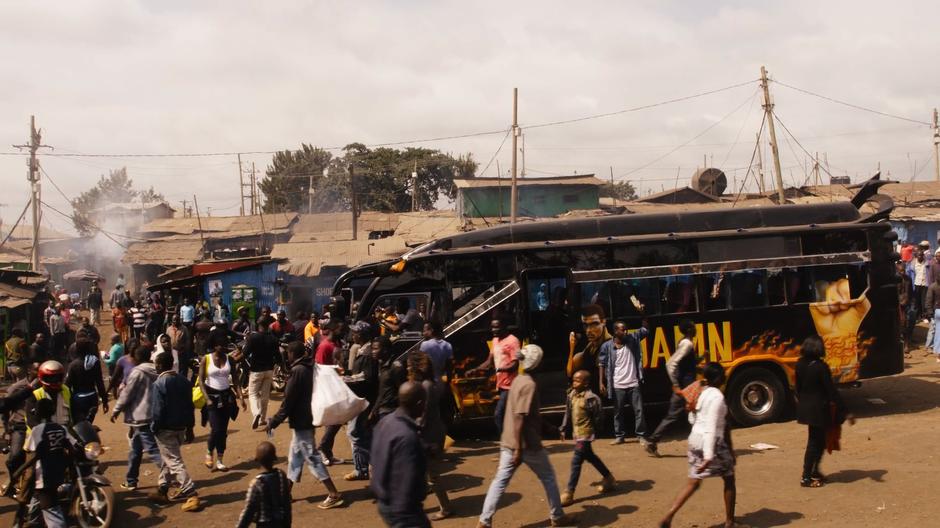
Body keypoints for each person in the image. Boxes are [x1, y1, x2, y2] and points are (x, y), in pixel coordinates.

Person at [478, 345, 576, 528]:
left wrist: (550, 428)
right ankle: (557, 516)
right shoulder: (529, 384)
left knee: (499, 481)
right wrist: (519, 449)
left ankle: (484, 521)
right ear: (537, 364)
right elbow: (520, 418)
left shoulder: (517, 380)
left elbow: (528, 416)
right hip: (526, 445)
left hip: (509, 442)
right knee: (548, 477)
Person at [266, 341, 345, 510]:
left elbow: (288, 402)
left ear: (293, 353)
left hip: (301, 421)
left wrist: (274, 421)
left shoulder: (297, 371)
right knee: (294, 457)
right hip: (307, 418)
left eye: (288, 353)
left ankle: (334, 494)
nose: (287, 356)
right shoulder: (310, 367)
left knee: (312, 457)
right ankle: (286, 493)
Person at [659, 362, 737, 528]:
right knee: (729, 478)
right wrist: (708, 456)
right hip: (710, 442)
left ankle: (669, 515)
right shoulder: (717, 397)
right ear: (721, 378)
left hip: (695, 439)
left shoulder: (702, 393)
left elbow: (693, 419)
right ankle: (730, 522)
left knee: (693, 482)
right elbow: (711, 426)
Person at [796, 335, 854, 488]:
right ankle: (806, 476)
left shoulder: (800, 364)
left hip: (806, 408)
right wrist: (845, 410)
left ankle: (814, 471)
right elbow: (831, 391)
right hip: (819, 409)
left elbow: (798, 388)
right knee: (815, 442)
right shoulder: (821, 367)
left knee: (818, 440)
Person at [371, 381, 431, 527]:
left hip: (385, 502)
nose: (425, 407)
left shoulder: (386, 422)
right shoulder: (407, 437)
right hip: (404, 513)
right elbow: (405, 483)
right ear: (418, 403)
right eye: (424, 403)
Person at [110, 344, 164, 492]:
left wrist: (116, 410)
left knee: (152, 450)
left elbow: (127, 393)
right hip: (153, 413)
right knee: (135, 450)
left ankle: (173, 474)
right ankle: (131, 480)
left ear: (138, 357)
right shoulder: (157, 370)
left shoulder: (137, 372)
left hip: (141, 416)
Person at [18, 398, 79, 528]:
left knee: (53, 513)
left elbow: (28, 449)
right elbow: (74, 445)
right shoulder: (61, 428)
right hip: (59, 473)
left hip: (44, 477)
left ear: (38, 413)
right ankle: (33, 521)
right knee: (36, 496)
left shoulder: (37, 430)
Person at [559, 369, 615, 506]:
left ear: (586, 383)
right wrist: (563, 428)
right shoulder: (571, 395)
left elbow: (599, 416)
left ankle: (569, 492)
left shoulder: (591, 398)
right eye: (573, 380)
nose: (574, 383)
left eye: (578, 380)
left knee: (576, 461)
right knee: (590, 456)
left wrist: (596, 430)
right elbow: (568, 411)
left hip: (586, 433)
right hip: (577, 433)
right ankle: (608, 478)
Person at [149, 350, 198, 506]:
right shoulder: (184, 381)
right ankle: (162, 489)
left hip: (166, 429)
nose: (155, 366)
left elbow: (158, 410)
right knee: (168, 459)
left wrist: (154, 427)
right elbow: (190, 407)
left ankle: (191, 491)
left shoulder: (159, 384)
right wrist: (190, 428)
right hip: (181, 427)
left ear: (161, 365)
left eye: (156, 364)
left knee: (174, 461)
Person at [408, 351, 453, 519]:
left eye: (409, 366)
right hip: (433, 433)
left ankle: (446, 508)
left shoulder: (426, 387)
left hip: (429, 436)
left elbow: (423, 418)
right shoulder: (430, 383)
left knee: (432, 475)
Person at [648, 319, 701, 455]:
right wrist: (676, 385)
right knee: (694, 414)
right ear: (689, 330)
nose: (696, 329)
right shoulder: (687, 344)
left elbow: (687, 364)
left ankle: (653, 441)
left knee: (688, 414)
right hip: (685, 388)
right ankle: (653, 441)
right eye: (693, 327)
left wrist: (701, 359)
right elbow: (670, 364)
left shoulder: (685, 342)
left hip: (687, 386)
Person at [197, 329, 246, 472]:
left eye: (224, 345)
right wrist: (207, 398)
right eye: (220, 345)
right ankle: (208, 452)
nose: (223, 347)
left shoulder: (229, 359)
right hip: (212, 397)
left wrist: (241, 397)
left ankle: (220, 460)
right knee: (215, 429)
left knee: (223, 431)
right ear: (214, 345)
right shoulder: (206, 359)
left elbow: (236, 380)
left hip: (226, 398)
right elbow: (200, 380)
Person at [599, 319, 652, 450]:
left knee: (639, 410)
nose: (626, 331)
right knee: (618, 412)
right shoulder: (607, 346)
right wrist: (601, 382)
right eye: (623, 329)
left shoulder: (632, 339)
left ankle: (641, 435)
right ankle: (619, 436)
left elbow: (645, 330)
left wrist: (642, 314)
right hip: (617, 385)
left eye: (626, 329)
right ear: (615, 331)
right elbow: (601, 364)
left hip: (633, 382)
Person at [468, 317, 520, 435]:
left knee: (499, 414)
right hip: (501, 386)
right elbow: (489, 362)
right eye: (492, 327)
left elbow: (515, 364)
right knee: (509, 416)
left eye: (496, 327)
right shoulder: (495, 340)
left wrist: (499, 369)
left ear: (504, 326)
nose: (494, 330)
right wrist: (475, 370)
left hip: (510, 386)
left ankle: (506, 442)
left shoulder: (513, 341)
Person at [344, 330, 378, 482]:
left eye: (356, 332)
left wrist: (348, 379)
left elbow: (367, 377)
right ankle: (363, 467)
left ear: (362, 335)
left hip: (363, 400)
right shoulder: (361, 350)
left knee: (354, 433)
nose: (353, 335)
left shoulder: (367, 354)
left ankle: (367, 467)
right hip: (361, 398)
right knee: (361, 433)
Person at [236, 441, 292, 528]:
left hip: (265, 524)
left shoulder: (257, 483)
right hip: (281, 522)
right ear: (274, 458)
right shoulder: (281, 475)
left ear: (258, 460)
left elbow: (249, 510)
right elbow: (287, 503)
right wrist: (288, 522)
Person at [2, 363, 37, 496]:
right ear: (29, 371)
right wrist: (6, 428)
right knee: (15, 457)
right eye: (35, 371)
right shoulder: (16, 388)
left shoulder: (42, 386)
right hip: (19, 426)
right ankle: (12, 480)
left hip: (35, 427)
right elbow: (4, 407)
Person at [244, 316, 283, 430]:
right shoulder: (273, 339)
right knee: (265, 395)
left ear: (258, 325)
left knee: (253, 394)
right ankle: (262, 419)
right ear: (268, 326)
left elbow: (245, 353)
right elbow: (278, 356)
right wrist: (283, 367)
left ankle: (256, 413)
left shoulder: (253, 338)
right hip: (269, 370)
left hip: (256, 370)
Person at [65, 338, 109, 423]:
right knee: (89, 424)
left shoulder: (73, 365)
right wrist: (104, 401)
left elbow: (67, 385)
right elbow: (100, 383)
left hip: (78, 400)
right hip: (92, 400)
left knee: (79, 426)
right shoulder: (95, 362)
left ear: (76, 349)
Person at [897, 261, 915, 355]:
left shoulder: (908, 279)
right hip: (898, 305)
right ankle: (899, 344)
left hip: (907, 304)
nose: (902, 272)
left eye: (903, 270)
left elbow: (910, 292)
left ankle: (906, 345)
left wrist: (910, 301)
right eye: (900, 271)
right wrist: (899, 302)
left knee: (908, 324)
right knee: (900, 324)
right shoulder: (895, 280)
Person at [926, 273, 940, 360]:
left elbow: (928, 300)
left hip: (937, 311)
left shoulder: (932, 286)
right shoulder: (933, 287)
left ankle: (936, 351)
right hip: (936, 311)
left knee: (936, 332)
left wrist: (930, 312)